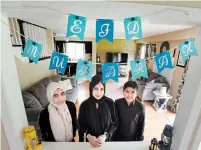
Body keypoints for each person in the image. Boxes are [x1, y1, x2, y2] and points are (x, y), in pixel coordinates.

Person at [78, 74, 118, 147]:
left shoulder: (110, 103)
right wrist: (88, 136)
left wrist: (105, 136)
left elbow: (115, 123)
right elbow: (81, 125)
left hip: (106, 142)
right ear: (91, 88)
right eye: (96, 88)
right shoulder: (84, 105)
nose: (99, 93)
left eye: (101, 89)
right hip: (89, 143)